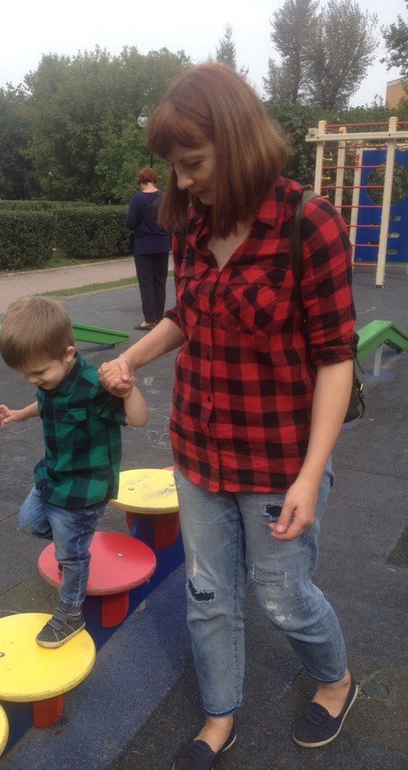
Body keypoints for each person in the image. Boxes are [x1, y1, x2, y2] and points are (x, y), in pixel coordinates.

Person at [99, 63, 358, 769]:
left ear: (239, 142)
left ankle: (335, 680)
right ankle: (219, 716)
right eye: (174, 167)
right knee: (208, 593)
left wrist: (310, 475)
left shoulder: (310, 224)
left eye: (194, 163)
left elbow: (337, 358)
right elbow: (188, 313)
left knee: (282, 595)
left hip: (278, 459)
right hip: (199, 448)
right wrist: (132, 358)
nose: (182, 181)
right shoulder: (191, 221)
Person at [0, 296, 148, 648]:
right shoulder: (50, 380)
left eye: (38, 373)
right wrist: (19, 414)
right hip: (53, 476)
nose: (34, 380)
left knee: (72, 555)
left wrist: (129, 390)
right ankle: (74, 549)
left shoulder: (95, 386)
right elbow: (46, 402)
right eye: (26, 375)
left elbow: (139, 419)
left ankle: (71, 613)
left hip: (83, 488)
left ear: (67, 354)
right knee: (29, 522)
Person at [126, 167, 171, 331]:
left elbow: (130, 223)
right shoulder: (164, 197)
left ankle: (149, 320)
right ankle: (159, 317)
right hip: (162, 245)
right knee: (160, 282)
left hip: (144, 246)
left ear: (140, 181)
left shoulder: (137, 199)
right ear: (154, 180)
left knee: (146, 283)